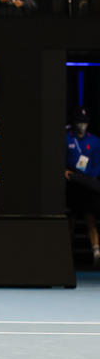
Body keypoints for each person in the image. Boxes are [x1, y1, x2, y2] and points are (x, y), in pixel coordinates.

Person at [65, 107, 100, 263]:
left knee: (90, 219)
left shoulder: (95, 141)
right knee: (70, 220)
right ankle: (66, 252)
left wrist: (88, 177)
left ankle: (96, 250)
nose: (82, 125)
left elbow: (97, 165)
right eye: (79, 122)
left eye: (84, 122)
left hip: (87, 186)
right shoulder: (67, 138)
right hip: (72, 185)